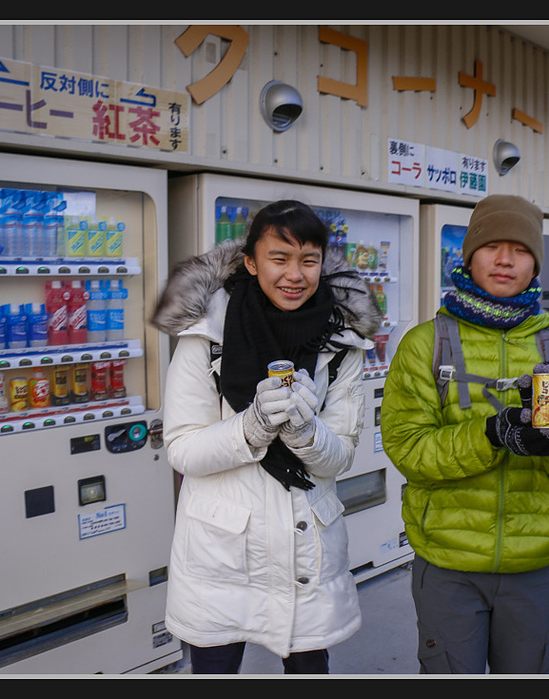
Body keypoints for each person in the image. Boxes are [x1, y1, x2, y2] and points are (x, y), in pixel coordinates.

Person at [380, 194, 549, 674]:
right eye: (492, 246)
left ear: (535, 264)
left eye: (521, 249)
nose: (506, 259)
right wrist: (492, 434)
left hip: (534, 565)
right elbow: (408, 449)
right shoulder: (426, 344)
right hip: (447, 564)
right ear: (469, 255)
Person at [151, 199, 382, 674]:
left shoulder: (342, 345)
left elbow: (338, 458)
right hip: (221, 554)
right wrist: (250, 427)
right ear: (252, 263)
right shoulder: (206, 337)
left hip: (305, 550)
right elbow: (182, 449)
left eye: (308, 260)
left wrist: (305, 432)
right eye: (279, 259)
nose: (294, 274)